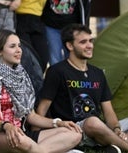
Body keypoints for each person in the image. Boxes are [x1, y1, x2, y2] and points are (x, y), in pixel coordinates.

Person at [0, 29, 82, 153]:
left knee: (74, 133)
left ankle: (38, 151)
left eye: (19, 46)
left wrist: (58, 123)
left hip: (21, 132)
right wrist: (7, 126)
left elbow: (31, 117)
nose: (18, 50)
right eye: (12, 46)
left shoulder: (22, 76)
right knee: (24, 142)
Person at [37, 24, 128, 153]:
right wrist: (37, 137)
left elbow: (108, 111)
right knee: (92, 122)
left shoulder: (98, 73)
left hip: (98, 132)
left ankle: (112, 145)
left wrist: (117, 130)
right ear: (70, 46)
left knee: (100, 123)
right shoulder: (57, 71)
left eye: (91, 41)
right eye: (83, 42)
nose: (89, 45)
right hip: (71, 131)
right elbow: (42, 109)